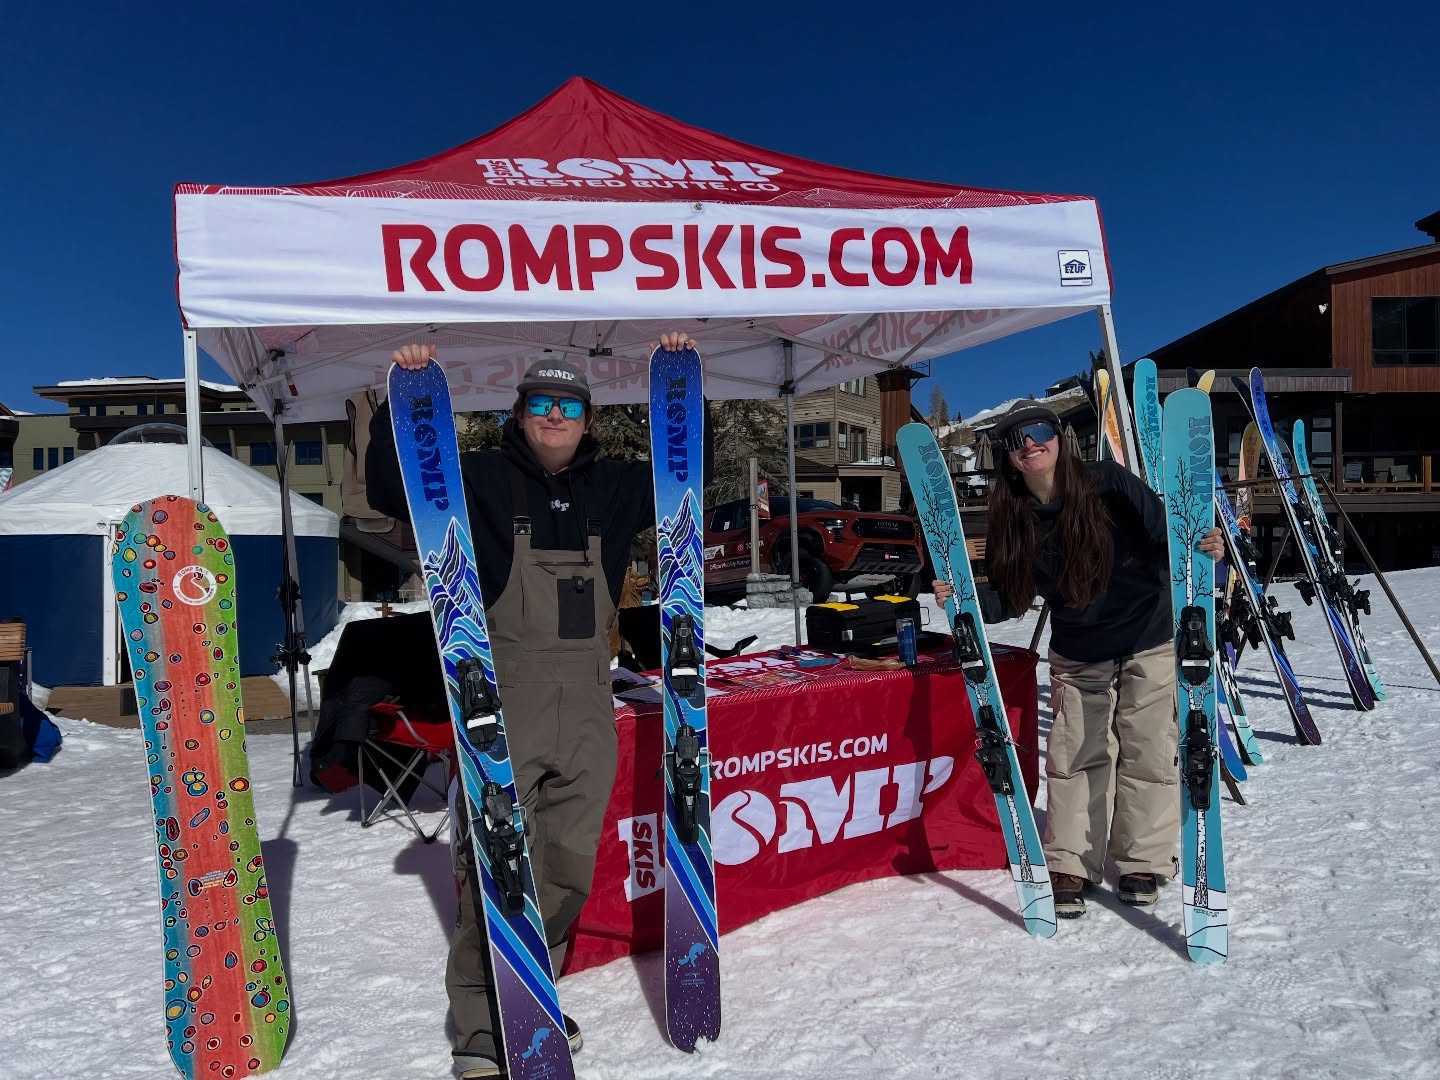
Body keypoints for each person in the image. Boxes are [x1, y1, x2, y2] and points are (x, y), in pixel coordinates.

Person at [366, 332, 700, 1079]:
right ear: (519, 414)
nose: (556, 416)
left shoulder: (614, 488)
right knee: (494, 864)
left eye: (570, 406)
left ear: (587, 420)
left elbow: (687, 470)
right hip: (501, 698)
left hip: (586, 702)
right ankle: (483, 1029)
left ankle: (532, 996)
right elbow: (395, 490)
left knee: (566, 864)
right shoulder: (478, 476)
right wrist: (402, 400)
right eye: (542, 404)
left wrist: (680, 382)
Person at [934, 400, 1223, 919]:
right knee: (1074, 757)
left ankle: (1141, 860)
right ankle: (1070, 860)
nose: (1029, 443)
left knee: (1149, 751)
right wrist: (961, 595)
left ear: (1060, 436)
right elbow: (1011, 596)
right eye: (1015, 440)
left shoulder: (1110, 484)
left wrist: (1208, 549)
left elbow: (1169, 543)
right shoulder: (1013, 518)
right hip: (1078, 648)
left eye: (1039, 430)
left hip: (1147, 636)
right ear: (1008, 457)